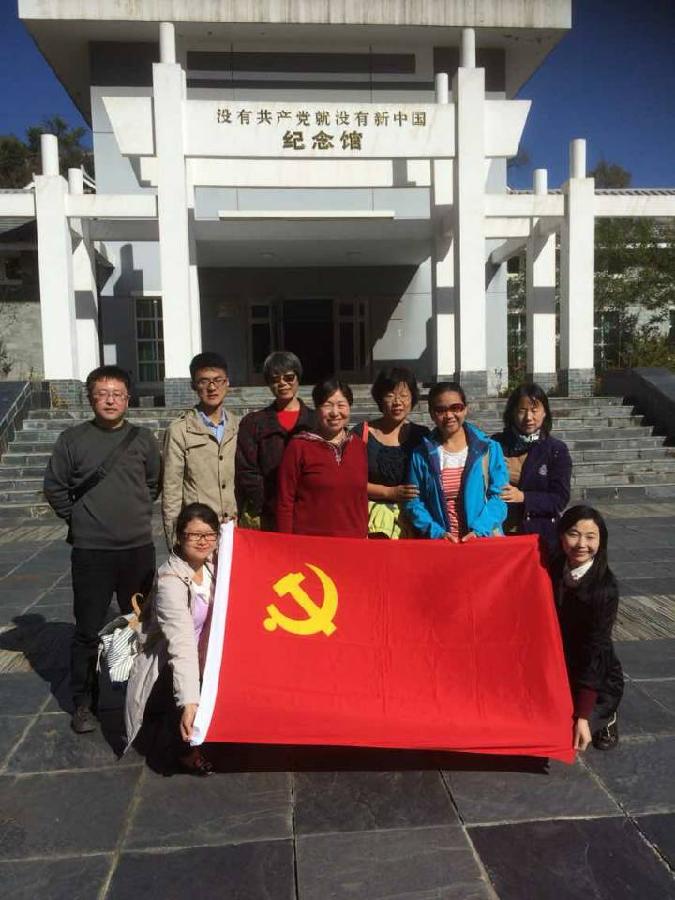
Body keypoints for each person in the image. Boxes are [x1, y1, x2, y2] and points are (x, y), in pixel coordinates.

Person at [43, 365, 161, 734]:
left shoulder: (143, 439)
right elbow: (55, 487)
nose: (110, 400)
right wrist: (79, 519)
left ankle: (141, 697)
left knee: (140, 626)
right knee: (88, 629)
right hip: (91, 551)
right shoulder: (72, 439)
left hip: (137, 549)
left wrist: (133, 514)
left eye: (117, 394)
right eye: (102, 394)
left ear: (128, 398)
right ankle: (84, 702)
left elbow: (153, 484)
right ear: (91, 398)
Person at [125, 502, 220, 775]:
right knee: (183, 701)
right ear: (179, 536)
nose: (203, 541)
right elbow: (181, 643)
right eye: (195, 535)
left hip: (205, 652)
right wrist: (190, 701)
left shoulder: (214, 567)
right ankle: (185, 752)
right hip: (171, 658)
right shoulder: (170, 580)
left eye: (209, 534)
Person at [549, 505, 624, 752]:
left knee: (577, 728)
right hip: (558, 661)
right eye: (573, 534)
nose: (581, 544)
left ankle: (608, 717)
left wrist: (583, 715)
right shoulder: (552, 567)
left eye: (591, 537)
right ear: (561, 536)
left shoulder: (605, 589)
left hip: (593, 667)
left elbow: (596, 650)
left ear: (601, 542)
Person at [404, 382, 508, 541]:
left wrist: (479, 531)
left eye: (456, 408)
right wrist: (437, 533)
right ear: (431, 413)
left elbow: (499, 497)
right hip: (441, 545)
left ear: (466, 409)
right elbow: (414, 502)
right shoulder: (421, 455)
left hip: (482, 541)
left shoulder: (489, 449)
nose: (449, 415)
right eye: (440, 410)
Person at [162, 352, 239, 549]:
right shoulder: (180, 430)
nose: (212, 387)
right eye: (204, 381)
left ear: (227, 382)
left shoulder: (237, 426)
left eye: (218, 380)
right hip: (198, 533)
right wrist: (173, 540)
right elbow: (172, 490)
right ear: (193, 385)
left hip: (233, 529)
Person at [276, 377, 368, 537]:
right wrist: (286, 541)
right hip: (310, 541)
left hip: (353, 540)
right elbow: (285, 500)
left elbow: (361, 497)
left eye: (341, 405)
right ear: (317, 409)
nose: (335, 412)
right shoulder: (299, 446)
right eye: (327, 405)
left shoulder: (358, 446)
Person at [235, 350, 315, 530]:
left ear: (298, 378)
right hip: (269, 513)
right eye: (275, 379)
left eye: (289, 377)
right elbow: (247, 469)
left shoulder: (315, 420)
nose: (282, 383)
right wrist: (267, 503)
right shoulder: (254, 423)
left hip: (310, 511)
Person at [492, 383, 572, 552]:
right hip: (500, 534)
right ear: (512, 413)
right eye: (522, 410)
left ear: (544, 413)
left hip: (538, 537)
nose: (528, 417)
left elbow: (559, 499)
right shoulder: (496, 444)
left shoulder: (556, 450)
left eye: (534, 410)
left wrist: (523, 496)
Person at [353, 367, 428, 539]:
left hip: (414, 522)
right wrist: (389, 492)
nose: (397, 402)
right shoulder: (361, 433)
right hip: (371, 523)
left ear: (412, 399)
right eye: (390, 395)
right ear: (380, 398)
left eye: (404, 395)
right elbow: (351, 481)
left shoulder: (422, 436)